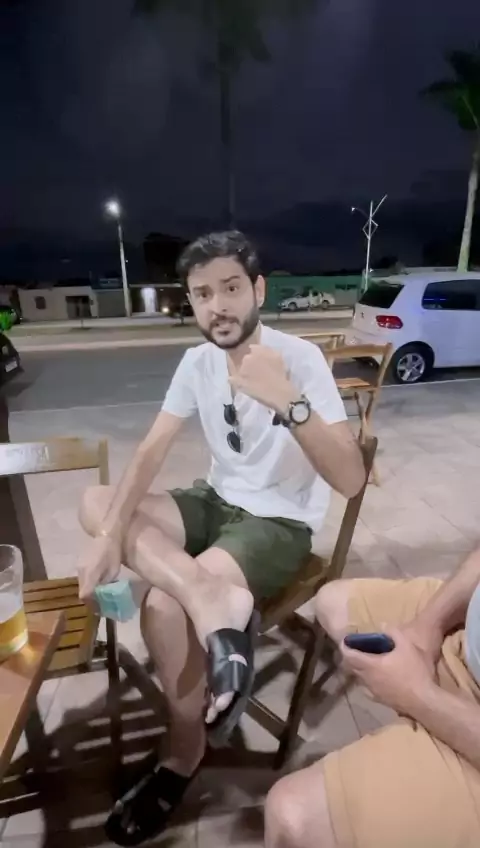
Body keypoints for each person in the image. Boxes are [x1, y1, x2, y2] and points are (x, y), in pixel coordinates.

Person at [76, 230, 365, 846]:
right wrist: (109, 535)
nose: (218, 307)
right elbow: (152, 450)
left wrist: (288, 400)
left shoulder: (300, 359)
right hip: (215, 500)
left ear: (258, 289)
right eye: (202, 294)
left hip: (278, 521)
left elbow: (350, 478)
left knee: (162, 606)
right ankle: (209, 598)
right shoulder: (197, 362)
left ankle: (183, 755)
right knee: (98, 504)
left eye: (231, 288)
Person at [265, 545, 480, 848]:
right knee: (333, 602)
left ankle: (417, 747)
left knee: (292, 818)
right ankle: (410, 741)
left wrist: (417, 694)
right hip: (467, 637)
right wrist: (427, 626)